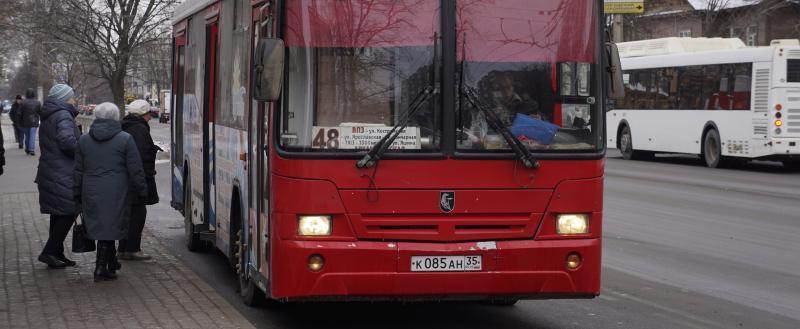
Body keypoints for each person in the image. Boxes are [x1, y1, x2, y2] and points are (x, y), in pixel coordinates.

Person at [74, 103, 147, 282]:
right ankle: (100, 268)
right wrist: (142, 189)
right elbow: (135, 168)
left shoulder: (84, 140)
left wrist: (76, 191)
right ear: (115, 117)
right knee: (110, 227)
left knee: (102, 226)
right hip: (117, 190)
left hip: (90, 189)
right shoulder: (125, 139)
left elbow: (78, 170)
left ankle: (111, 262)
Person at [36, 84, 81, 269]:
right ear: (65, 98)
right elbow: (67, 142)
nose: (74, 100)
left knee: (58, 212)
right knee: (69, 211)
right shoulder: (63, 114)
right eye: (72, 97)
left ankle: (57, 252)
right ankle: (48, 252)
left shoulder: (51, 114)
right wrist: (83, 148)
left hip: (52, 170)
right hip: (63, 172)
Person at [119, 100, 161, 260]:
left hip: (124, 177)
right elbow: (141, 157)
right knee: (138, 213)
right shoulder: (140, 130)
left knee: (128, 213)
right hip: (137, 177)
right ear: (143, 115)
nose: (150, 117)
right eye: (148, 114)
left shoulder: (125, 125)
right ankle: (132, 249)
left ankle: (123, 248)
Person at [19, 89, 42, 155]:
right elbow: (40, 112)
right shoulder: (37, 102)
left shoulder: (23, 102)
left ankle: (27, 149)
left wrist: (19, 122)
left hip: (25, 122)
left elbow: (19, 113)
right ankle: (31, 149)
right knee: (32, 136)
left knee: (27, 136)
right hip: (34, 122)